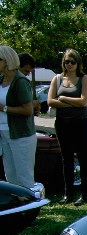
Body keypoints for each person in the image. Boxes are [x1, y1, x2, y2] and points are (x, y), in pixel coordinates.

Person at [47, 49, 87, 206]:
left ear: (78, 63)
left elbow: (84, 102)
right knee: (66, 159)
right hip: (62, 123)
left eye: (73, 62)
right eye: (67, 61)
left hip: (80, 123)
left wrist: (64, 98)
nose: (70, 64)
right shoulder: (57, 78)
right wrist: (73, 102)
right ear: (63, 63)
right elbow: (50, 101)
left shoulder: (84, 79)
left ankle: (84, 195)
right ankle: (68, 194)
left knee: (83, 157)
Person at [0, 45, 37, 189]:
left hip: (21, 135)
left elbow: (28, 110)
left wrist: (4, 108)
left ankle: (29, 203)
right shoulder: (1, 79)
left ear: (7, 60)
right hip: (4, 133)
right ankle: (16, 203)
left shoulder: (20, 81)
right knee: (11, 177)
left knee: (24, 178)